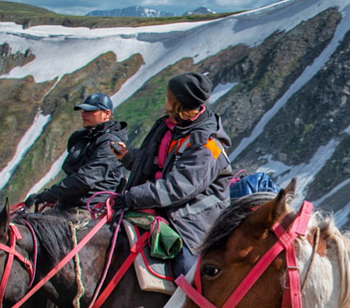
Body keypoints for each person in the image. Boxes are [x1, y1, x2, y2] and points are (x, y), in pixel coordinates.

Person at [111, 72, 232, 278]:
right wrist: (127, 157)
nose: (165, 97)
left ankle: (193, 306)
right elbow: (157, 163)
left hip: (192, 219)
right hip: (163, 205)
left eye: (169, 95)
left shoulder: (208, 146)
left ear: (178, 102)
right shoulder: (169, 126)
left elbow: (178, 187)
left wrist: (131, 197)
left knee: (185, 268)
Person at [24, 93, 127, 212]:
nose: (83, 114)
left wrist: (48, 195)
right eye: (83, 111)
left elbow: (85, 179)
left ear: (107, 114)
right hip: (68, 204)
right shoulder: (81, 137)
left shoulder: (111, 143)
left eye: (90, 111)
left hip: (91, 208)